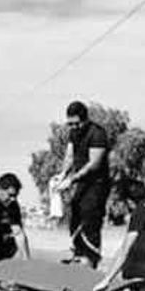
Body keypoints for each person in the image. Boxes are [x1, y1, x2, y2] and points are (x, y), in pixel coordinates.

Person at [54, 101, 111, 268]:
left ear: (85, 119)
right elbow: (69, 157)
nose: (73, 127)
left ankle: (90, 259)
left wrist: (72, 179)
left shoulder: (97, 133)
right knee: (75, 213)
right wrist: (63, 174)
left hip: (97, 184)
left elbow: (94, 164)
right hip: (81, 182)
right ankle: (78, 254)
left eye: (76, 123)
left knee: (90, 215)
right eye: (70, 124)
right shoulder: (73, 133)